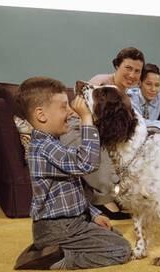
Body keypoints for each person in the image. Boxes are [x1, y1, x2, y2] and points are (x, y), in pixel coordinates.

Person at [13, 76, 131, 270]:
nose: (70, 111)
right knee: (121, 250)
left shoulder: (53, 144)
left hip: (71, 222)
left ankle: (53, 248)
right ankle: (58, 258)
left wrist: (93, 215)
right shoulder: (43, 148)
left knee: (114, 235)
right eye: (63, 107)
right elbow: (86, 163)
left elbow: (73, 192)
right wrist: (86, 119)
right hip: (59, 228)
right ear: (41, 115)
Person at [61, 47, 145, 220]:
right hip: (78, 125)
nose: (132, 74)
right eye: (128, 68)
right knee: (100, 151)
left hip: (100, 129)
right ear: (117, 66)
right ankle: (103, 199)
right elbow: (85, 111)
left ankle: (119, 194)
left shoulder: (129, 94)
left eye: (137, 71)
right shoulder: (100, 83)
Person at [127, 63, 160, 134]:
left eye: (157, 85)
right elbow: (138, 123)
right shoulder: (131, 97)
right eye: (148, 84)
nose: (153, 89)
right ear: (139, 83)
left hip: (155, 139)